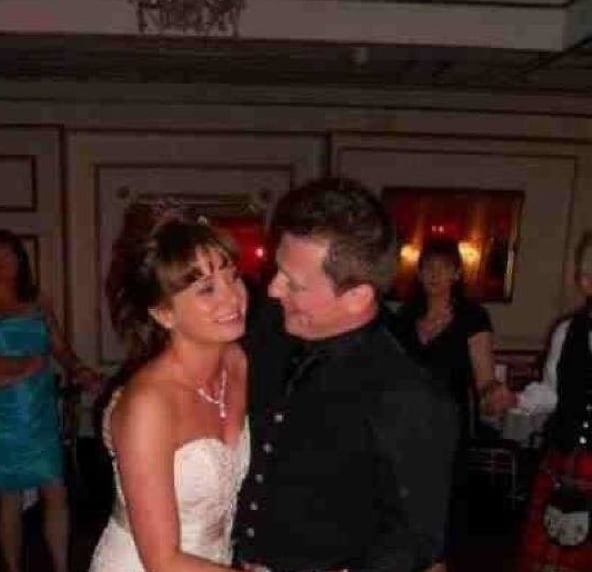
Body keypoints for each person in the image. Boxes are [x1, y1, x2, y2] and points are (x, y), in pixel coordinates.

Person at [234, 177, 458, 572]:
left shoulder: (409, 394)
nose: (273, 289)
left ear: (357, 297)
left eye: (293, 283)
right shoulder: (265, 329)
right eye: (277, 270)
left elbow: (416, 540)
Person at [89, 204, 250, 572]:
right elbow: (162, 560)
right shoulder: (149, 404)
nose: (232, 297)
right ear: (164, 313)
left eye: (233, 277)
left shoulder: (237, 361)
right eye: (207, 289)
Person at [0, 229, 101, 572]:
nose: (1, 262)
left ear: (20, 260)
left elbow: (60, 348)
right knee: (9, 496)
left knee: (55, 488)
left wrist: (80, 369)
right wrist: (21, 366)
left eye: (8, 255)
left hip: (38, 406)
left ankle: (61, 567)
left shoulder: (38, 300)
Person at [390, 238, 512, 565]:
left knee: (440, 515)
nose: (434, 274)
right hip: (403, 428)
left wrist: (493, 393)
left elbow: (484, 380)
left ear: (457, 273)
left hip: (448, 428)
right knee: (400, 512)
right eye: (428, 267)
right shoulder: (403, 317)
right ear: (418, 272)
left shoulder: (472, 316)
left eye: (443, 267)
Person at [510, 231, 592, 572]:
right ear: (585, 282)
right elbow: (552, 391)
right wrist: (515, 399)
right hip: (567, 459)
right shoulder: (567, 331)